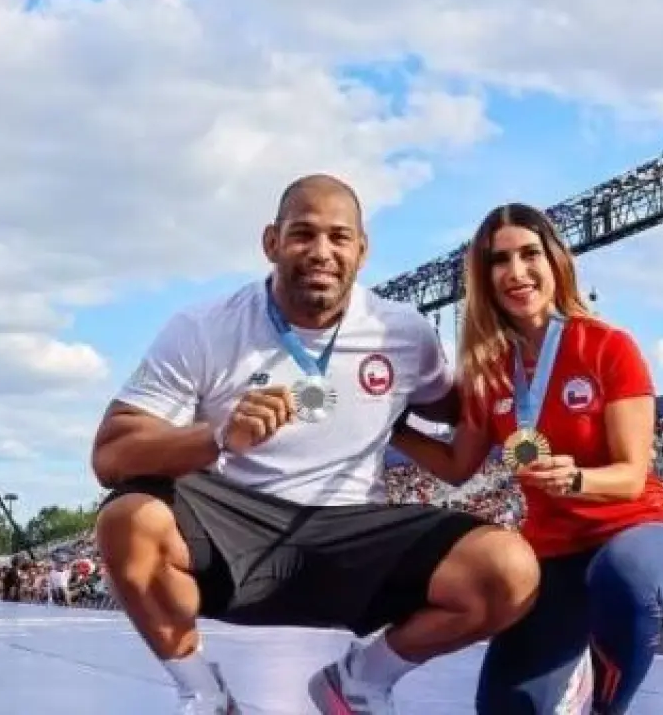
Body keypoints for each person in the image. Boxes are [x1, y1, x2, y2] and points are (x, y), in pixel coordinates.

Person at [91, 176, 540, 714]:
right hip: (236, 529)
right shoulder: (204, 327)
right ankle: (203, 693)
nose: (321, 252)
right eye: (303, 234)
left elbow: (468, 408)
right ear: (271, 242)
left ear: (362, 249)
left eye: (338, 237)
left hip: (354, 534)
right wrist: (217, 436)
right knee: (127, 521)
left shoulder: (402, 332)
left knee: (508, 568)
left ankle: (360, 681)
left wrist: (533, 341)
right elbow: (111, 454)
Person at [390, 202, 663, 714]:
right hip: (555, 556)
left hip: (643, 532)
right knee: (504, 707)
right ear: (484, 278)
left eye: (529, 254)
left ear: (555, 260)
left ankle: (604, 707)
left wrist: (575, 479)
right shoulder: (488, 373)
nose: (516, 273)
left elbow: (630, 477)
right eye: (498, 261)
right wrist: (393, 426)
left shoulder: (608, 346)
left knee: (623, 575)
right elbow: (455, 467)